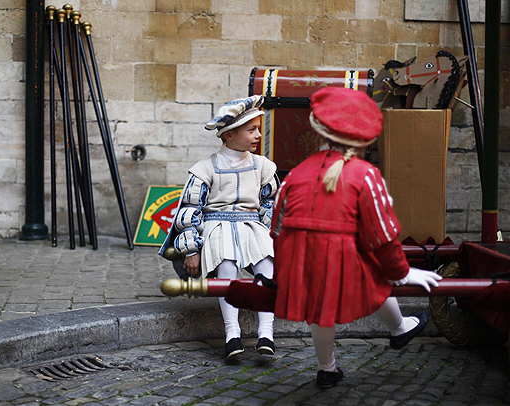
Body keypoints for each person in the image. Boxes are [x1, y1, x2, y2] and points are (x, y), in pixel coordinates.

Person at [270, 87, 442, 389]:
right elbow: (383, 236)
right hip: (340, 263)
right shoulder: (365, 175)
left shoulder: (295, 174)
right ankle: (399, 328)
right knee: (374, 271)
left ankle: (327, 368)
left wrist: (284, 268)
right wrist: (402, 272)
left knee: (320, 308)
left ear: (318, 130)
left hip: (297, 265)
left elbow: (277, 227)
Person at [159, 95, 280, 358]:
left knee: (266, 265)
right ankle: (232, 334)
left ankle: (266, 333)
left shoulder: (262, 166)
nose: (258, 135)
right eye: (251, 130)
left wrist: (276, 238)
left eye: (258, 129)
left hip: (251, 226)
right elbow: (190, 210)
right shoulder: (205, 169)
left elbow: (269, 206)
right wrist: (192, 249)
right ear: (228, 136)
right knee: (226, 266)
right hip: (217, 227)